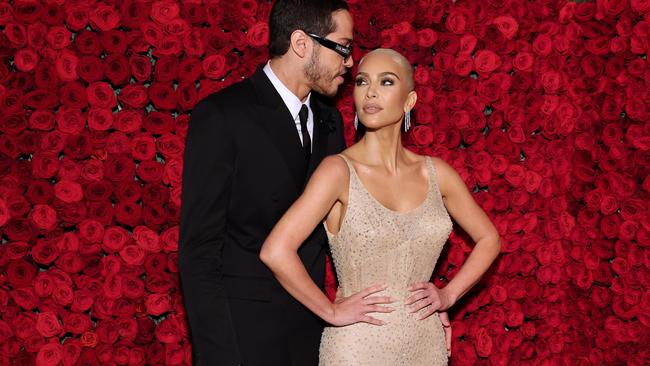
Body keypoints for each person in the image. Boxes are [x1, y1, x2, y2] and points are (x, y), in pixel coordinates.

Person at [260, 48, 501, 365]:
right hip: (357, 346)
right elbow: (275, 250)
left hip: (425, 345)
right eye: (361, 81)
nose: (370, 92)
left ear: (409, 100)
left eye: (386, 82)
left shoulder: (437, 174)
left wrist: (448, 296)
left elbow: (490, 239)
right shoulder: (338, 172)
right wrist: (330, 311)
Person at [178, 1, 355, 365]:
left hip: (310, 337)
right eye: (343, 47)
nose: (350, 62)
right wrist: (219, 356)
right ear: (302, 43)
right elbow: (199, 252)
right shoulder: (223, 116)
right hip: (242, 339)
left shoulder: (331, 122)